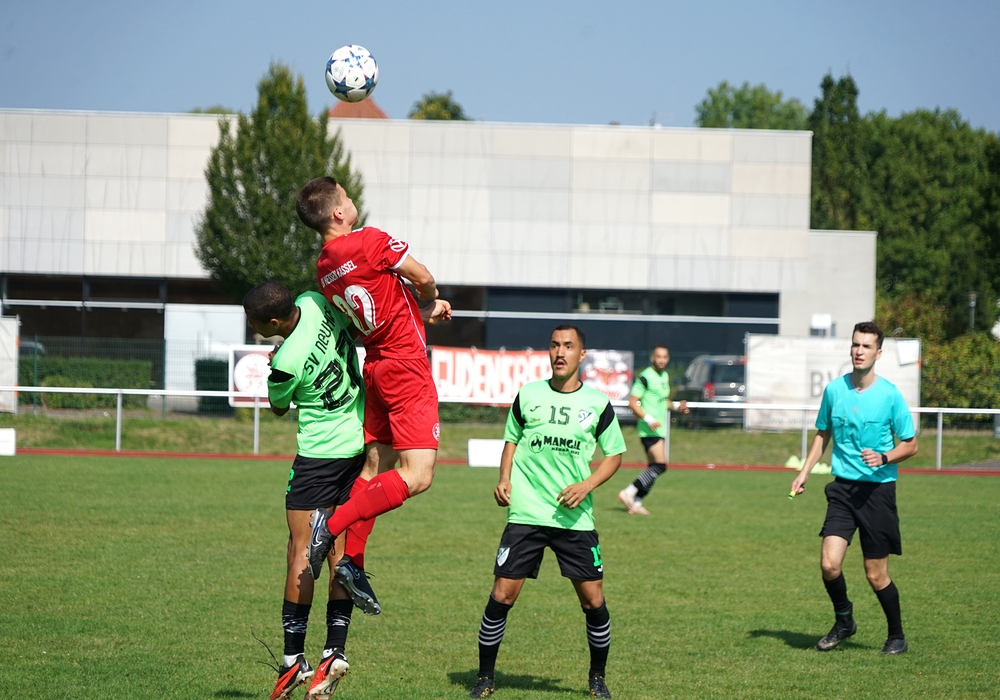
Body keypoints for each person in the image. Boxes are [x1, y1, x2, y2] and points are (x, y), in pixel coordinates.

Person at [295, 177, 452, 589]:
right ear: (338, 212)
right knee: (418, 475)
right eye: (347, 196)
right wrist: (430, 295)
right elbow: (422, 276)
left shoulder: (324, 267)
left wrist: (420, 314)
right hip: (406, 368)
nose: (352, 200)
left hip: (378, 366)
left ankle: (352, 561)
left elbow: (376, 310)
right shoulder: (367, 240)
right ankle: (330, 526)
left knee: (376, 465)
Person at [470, 325, 627, 699]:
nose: (560, 352)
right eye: (555, 345)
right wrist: (504, 478)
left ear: (581, 355)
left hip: (574, 517)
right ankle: (485, 678)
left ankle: (597, 678)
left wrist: (587, 485)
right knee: (502, 595)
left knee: (593, 601)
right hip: (526, 514)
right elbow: (511, 440)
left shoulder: (598, 404)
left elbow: (615, 455)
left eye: (568, 346)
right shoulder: (528, 395)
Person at [242, 281, 364, 700]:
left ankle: (294, 659)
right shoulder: (314, 301)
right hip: (357, 446)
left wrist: (279, 361)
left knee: (301, 551)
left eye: (254, 322)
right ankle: (334, 650)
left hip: (318, 459)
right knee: (338, 552)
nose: (252, 327)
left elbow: (279, 406)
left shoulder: (285, 362)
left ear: (274, 322)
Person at [790, 321, 918, 655]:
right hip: (842, 491)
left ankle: (897, 636)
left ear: (879, 353)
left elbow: (911, 444)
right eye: (855, 344)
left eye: (866, 346)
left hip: (878, 493)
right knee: (829, 564)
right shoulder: (835, 391)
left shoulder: (889, 394)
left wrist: (885, 457)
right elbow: (823, 434)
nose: (859, 351)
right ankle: (844, 621)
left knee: (875, 575)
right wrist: (804, 473)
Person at [617, 345, 688, 515]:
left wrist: (677, 406)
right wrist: (648, 419)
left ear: (668, 358)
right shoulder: (645, 377)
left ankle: (637, 503)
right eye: (658, 357)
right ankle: (628, 492)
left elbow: (663, 401)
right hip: (648, 429)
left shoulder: (664, 376)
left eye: (664, 357)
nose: (661, 360)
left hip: (659, 429)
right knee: (660, 466)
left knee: (653, 468)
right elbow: (632, 403)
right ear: (652, 358)